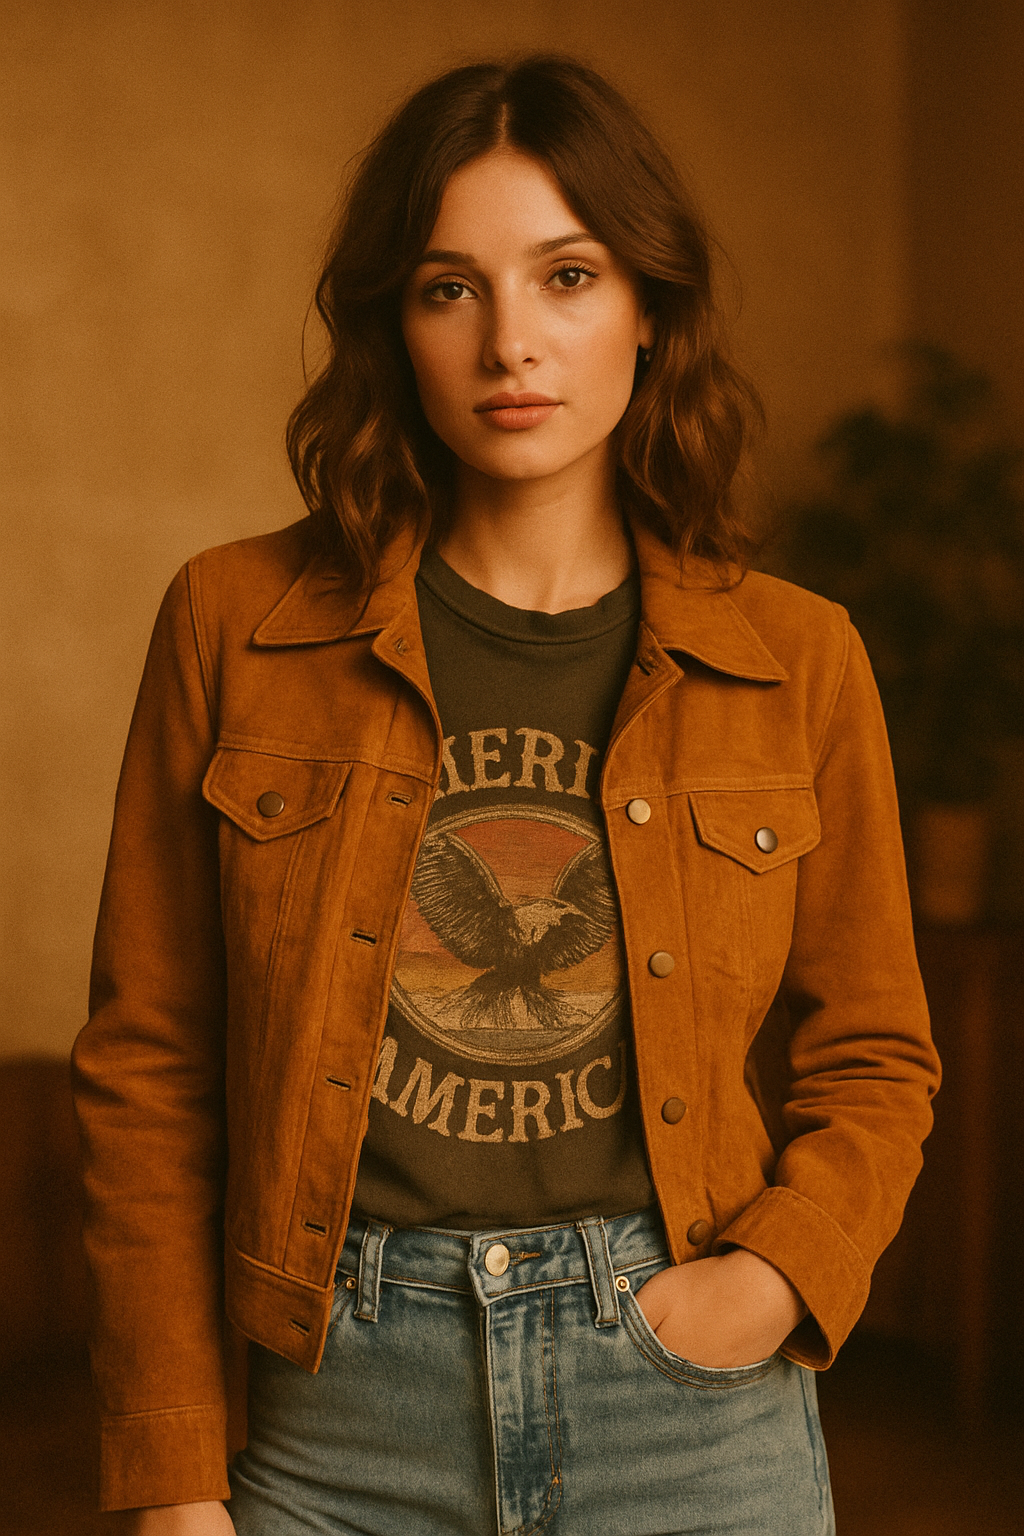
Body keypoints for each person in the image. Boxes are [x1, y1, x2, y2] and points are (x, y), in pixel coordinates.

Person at [72, 54, 940, 1536]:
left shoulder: (798, 658)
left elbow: (876, 1055)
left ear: (651, 311)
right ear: (395, 329)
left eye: (569, 275)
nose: (512, 342)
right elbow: (149, 1072)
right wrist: (169, 1476)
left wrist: (776, 1276)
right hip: (340, 1408)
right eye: (449, 287)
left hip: (689, 1410)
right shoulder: (237, 625)